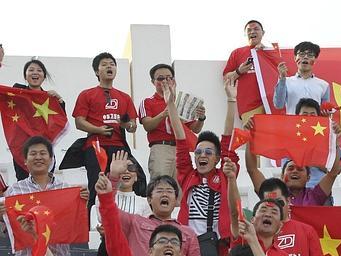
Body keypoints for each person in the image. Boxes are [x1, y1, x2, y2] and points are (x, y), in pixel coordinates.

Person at [0, 136, 88, 256]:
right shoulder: (14, 191)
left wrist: (81, 201)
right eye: (33, 154)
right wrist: (2, 215)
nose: (38, 157)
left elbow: (74, 221)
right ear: (25, 161)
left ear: (51, 158)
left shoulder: (67, 189)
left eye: (43, 153)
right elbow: (9, 227)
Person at [167, 77, 238, 256]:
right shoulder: (188, 176)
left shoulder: (225, 175)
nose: (202, 156)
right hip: (190, 251)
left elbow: (228, 138)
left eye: (208, 152)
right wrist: (170, 106)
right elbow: (180, 141)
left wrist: (231, 99)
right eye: (198, 152)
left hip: (219, 249)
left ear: (217, 157)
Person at [72, 52, 138, 213]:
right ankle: (93, 226)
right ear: (96, 71)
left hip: (119, 147)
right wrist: (98, 130)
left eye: (112, 64)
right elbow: (79, 122)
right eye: (104, 64)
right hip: (96, 147)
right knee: (97, 184)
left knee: (126, 184)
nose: (109, 66)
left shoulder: (125, 97)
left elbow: (133, 126)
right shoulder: (87, 94)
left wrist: (126, 124)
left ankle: (123, 219)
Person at [226, 166, 295, 256]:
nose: (267, 214)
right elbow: (234, 212)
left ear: (280, 226)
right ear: (252, 220)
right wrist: (231, 179)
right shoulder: (242, 241)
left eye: (274, 212)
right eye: (263, 210)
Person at [257, 178, 326, 256]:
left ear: (288, 201)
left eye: (279, 202)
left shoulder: (307, 230)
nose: (275, 207)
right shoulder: (253, 232)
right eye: (268, 203)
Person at [139, 63, 205, 179]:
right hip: (161, 147)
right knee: (160, 183)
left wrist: (201, 118)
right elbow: (147, 125)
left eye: (169, 77)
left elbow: (195, 129)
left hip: (181, 147)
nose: (165, 81)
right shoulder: (148, 102)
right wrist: (164, 114)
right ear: (153, 82)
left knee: (181, 187)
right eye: (160, 78)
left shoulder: (180, 101)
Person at [12, 58, 66, 180]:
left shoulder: (51, 98)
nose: (35, 72)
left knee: (47, 181)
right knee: (23, 182)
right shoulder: (18, 92)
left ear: (44, 76)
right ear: (25, 76)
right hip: (22, 148)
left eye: (39, 70)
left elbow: (60, 122)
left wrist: (59, 100)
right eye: (30, 70)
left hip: (44, 146)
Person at [223, 20, 267, 122]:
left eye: (256, 29)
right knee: (251, 137)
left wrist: (266, 52)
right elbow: (226, 78)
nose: (252, 32)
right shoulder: (237, 53)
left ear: (263, 32)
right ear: (245, 34)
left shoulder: (270, 52)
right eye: (249, 30)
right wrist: (239, 71)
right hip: (249, 107)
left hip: (271, 105)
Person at [273, 41, 330, 115]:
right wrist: (282, 78)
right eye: (301, 54)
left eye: (310, 55)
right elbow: (278, 105)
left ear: (315, 60)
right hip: (293, 125)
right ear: (295, 58)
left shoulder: (324, 85)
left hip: (315, 125)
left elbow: (325, 111)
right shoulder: (286, 82)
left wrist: (327, 113)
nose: (305, 57)